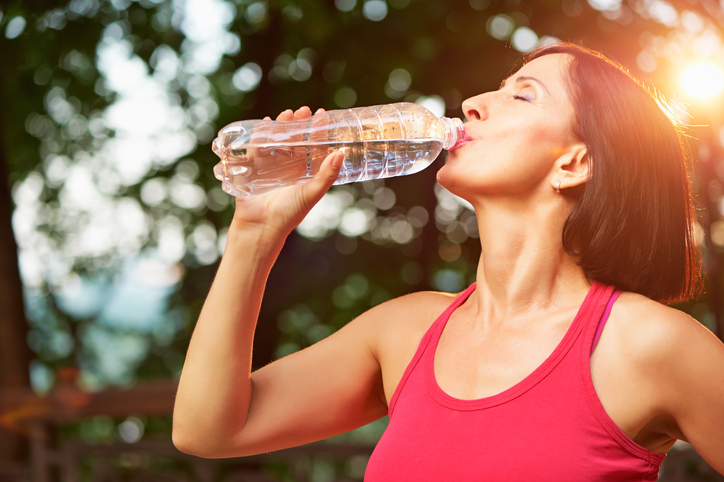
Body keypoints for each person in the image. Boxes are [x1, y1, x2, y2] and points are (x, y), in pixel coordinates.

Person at [172, 43, 724, 479]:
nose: (473, 103)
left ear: (574, 163)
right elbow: (210, 431)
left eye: (524, 95)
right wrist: (253, 234)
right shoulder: (405, 331)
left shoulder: (650, 345)